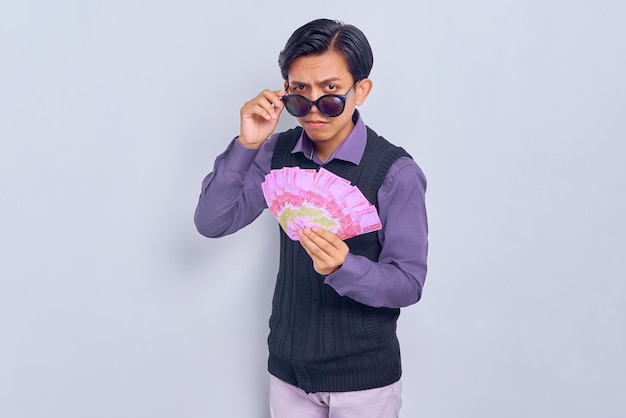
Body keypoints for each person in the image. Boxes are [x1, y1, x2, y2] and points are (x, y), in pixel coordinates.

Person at [194, 18, 428, 418]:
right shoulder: (274, 153)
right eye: (299, 94)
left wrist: (345, 267)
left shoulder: (396, 172)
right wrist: (247, 144)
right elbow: (213, 222)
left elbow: (408, 284)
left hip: (363, 381)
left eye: (331, 93)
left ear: (362, 90)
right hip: (288, 371)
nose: (314, 110)